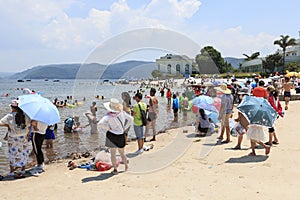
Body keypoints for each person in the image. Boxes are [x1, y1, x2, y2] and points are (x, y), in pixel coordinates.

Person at [98, 98, 133, 175]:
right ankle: (126, 167)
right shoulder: (122, 113)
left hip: (111, 135)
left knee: (113, 154)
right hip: (120, 135)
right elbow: (131, 119)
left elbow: (100, 123)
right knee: (122, 153)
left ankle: (115, 169)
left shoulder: (108, 116)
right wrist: (124, 128)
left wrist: (108, 128)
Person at [0, 100, 30, 178]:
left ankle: (12, 171)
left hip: (13, 137)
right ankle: (23, 169)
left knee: (12, 153)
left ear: (12, 107)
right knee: (23, 152)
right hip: (23, 136)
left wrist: (7, 125)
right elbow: (29, 124)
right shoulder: (25, 115)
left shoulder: (10, 115)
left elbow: (0, 123)